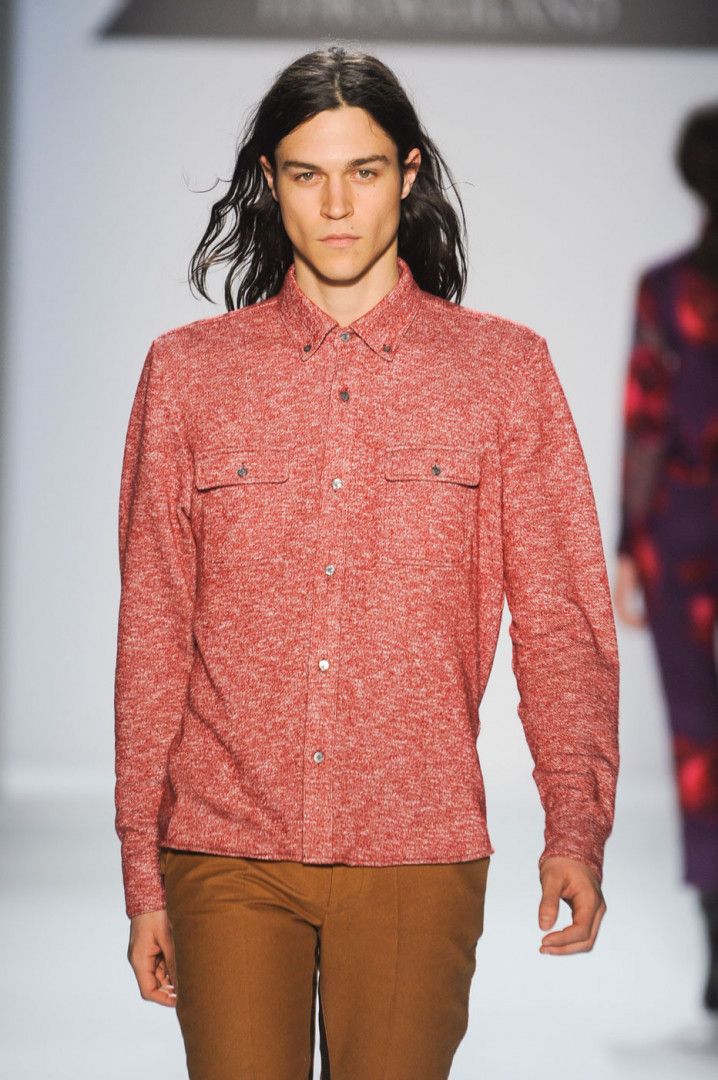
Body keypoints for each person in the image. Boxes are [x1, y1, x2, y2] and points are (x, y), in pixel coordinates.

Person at [115, 46, 619, 1080]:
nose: (337, 204)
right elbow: (154, 629)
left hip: (416, 847)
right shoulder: (188, 375)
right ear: (270, 181)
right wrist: (141, 872)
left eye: (366, 171)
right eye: (308, 173)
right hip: (224, 843)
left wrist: (575, 824)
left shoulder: (502, 372)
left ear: (409, 173)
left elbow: (560, 614)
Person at [614, 103, 718, 1015]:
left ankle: (716, 937)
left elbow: (647, 416)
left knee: (697, 735)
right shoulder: (660, 287)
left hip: (678, 525)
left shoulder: (665, 289)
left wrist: (627, 542)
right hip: (678, 529)